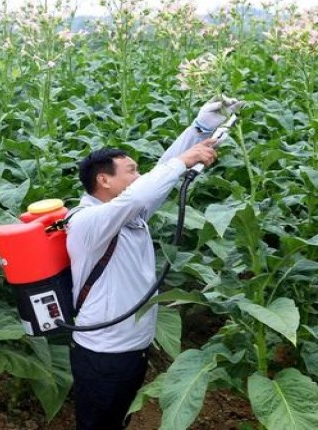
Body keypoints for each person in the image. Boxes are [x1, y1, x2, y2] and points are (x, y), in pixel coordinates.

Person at [65, 97, 243, 430]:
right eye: (131, 170)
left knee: (118, 419)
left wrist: (200, 128)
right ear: (104, 180)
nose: (139, 175)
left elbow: (154, 180)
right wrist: (185, 159)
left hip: (132, 350)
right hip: (104, 355)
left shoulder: (129, 214)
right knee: (98, 424)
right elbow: (143, 190)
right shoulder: (88, 221)